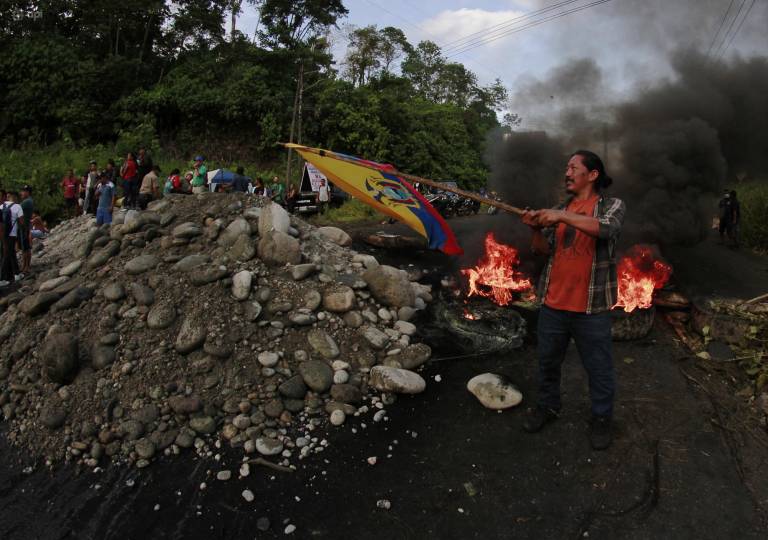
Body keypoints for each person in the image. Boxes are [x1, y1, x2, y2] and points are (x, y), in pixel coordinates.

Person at [520, 150, 626, 451]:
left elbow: (607, 229)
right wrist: (536, 228)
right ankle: (547, 407)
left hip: (591, 309)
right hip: (554, 304)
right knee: (547, 363)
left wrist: (561, 216)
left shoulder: (611, 205)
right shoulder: (560, 209)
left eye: (573, 167)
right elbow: (543, 251)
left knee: (599, 369)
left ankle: (602, 418)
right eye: (566, 167)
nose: (566, 172)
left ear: (592, 175)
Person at [1, 191, 24, 282]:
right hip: (12, 234)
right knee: (7, 255)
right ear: (14, 197)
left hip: (2, 234)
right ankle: (2, 278)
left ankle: (16, 274)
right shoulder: (18, 206)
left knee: (9, 253)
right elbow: (22, 222)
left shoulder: (1, 206)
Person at [19, 185, 34, 274]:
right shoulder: (29, 201)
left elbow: (16, 209)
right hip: (25, 226)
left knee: (25, 248)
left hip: (24, 227)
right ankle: (25, 265)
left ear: (28, 192)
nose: (22, 193)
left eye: (23, 191)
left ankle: (26, 266)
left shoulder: (27, 202)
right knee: (25, 247)